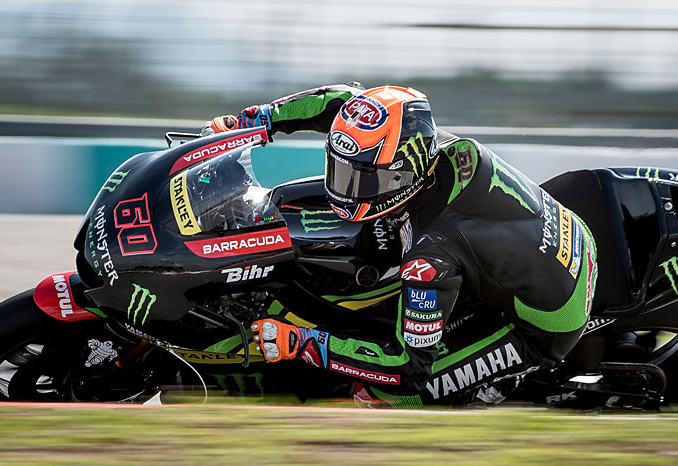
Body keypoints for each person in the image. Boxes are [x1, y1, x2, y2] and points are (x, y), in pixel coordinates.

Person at [203, 83, 598, 407]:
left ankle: (490, 399)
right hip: (558, 241)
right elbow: (338, 101)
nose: (346, 190)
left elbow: (407, 366)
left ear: (402, 172)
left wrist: (305, 343)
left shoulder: (430, 257)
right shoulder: (426, 145)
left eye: (364, 179)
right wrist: (256, 121)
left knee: (380, 396)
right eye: (341, 170)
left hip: (543, 325)